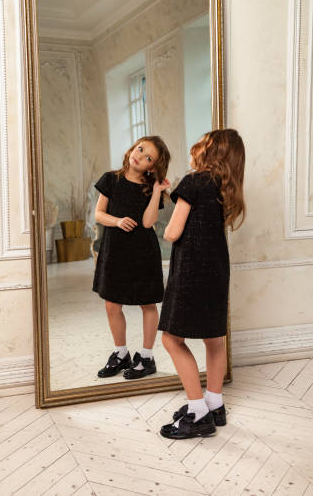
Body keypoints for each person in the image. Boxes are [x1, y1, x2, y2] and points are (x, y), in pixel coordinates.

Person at [158, 129, 245, 439]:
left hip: (190, 272)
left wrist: (170, 203)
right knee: (213, 338)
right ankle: (214, 403)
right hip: (217, 272)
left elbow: (171, 233)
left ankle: (197, 412)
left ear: (209, 153)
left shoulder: (194, 182)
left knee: (170, 338)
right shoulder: (226, 189)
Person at [93, 136, 170, 380]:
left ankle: (146, 357)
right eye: (140, 149)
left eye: (149, 157)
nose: (140, 156)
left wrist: (157, 190)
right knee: (112, 304)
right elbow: (98, 214)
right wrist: (117, 221)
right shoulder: (110, 179)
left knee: (147, 304)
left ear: (152, 167)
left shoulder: (150, 187)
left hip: (143, 253)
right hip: (115, 250)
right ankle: (121, 353)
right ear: (132, 148)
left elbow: (148, 222)